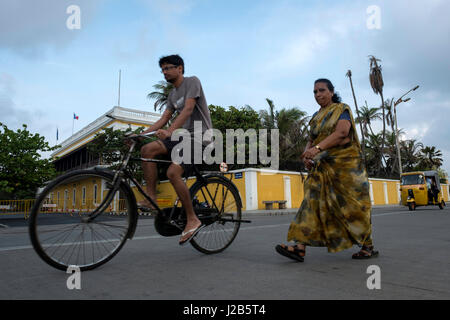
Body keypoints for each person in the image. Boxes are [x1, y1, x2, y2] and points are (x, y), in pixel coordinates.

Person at [275, 78, 379, 262]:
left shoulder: (341, 110)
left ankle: (367, 245)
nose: (318, 94)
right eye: (315, 92)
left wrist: (317, 149)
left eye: (322, 90)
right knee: (311, 202)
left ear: (331, 92)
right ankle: (299, 248)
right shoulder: (316, 116)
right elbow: (311, 139)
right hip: (322, 167)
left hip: (347, 168)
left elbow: (342, 133)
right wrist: (307, 154)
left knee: (354, 209)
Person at [135, 54, 213, 245]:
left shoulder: (192, 81)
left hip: (200, 138)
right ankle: (151, 197)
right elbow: (163, 119)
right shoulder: (171, 95)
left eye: (169, 67)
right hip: (182, 138)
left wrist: (169, 131)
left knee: (173, 172)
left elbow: (187, 109)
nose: (165, 72)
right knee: (147, 150)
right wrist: (141, 135)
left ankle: (192, 219)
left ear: (180, 68)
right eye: (162, 69)